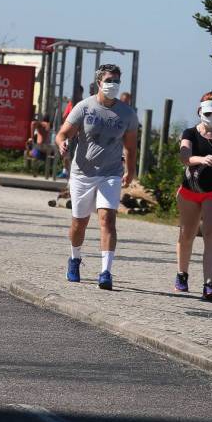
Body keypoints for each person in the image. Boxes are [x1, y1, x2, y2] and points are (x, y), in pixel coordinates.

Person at [55, 64, 139, 291]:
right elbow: (64, 132)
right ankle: (74, 258)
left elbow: (131, 147)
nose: (113, 85)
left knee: (107, 220)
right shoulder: (84, 107)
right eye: (109, 80)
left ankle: (106, 272)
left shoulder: (127, 114)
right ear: (99, 82)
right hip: (83, 173)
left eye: (117, 81)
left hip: (110, 173)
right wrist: (62, 142)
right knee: (79, 222)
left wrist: (130, 171)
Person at [175, 92, 212, 301]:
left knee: (211, 234)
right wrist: (200, 159)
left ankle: (209, 284)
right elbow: (184, 156)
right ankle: (182, 273)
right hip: (190, 191)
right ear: (200, 111)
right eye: (208, 113)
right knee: (187, 233)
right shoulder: (190, 133)